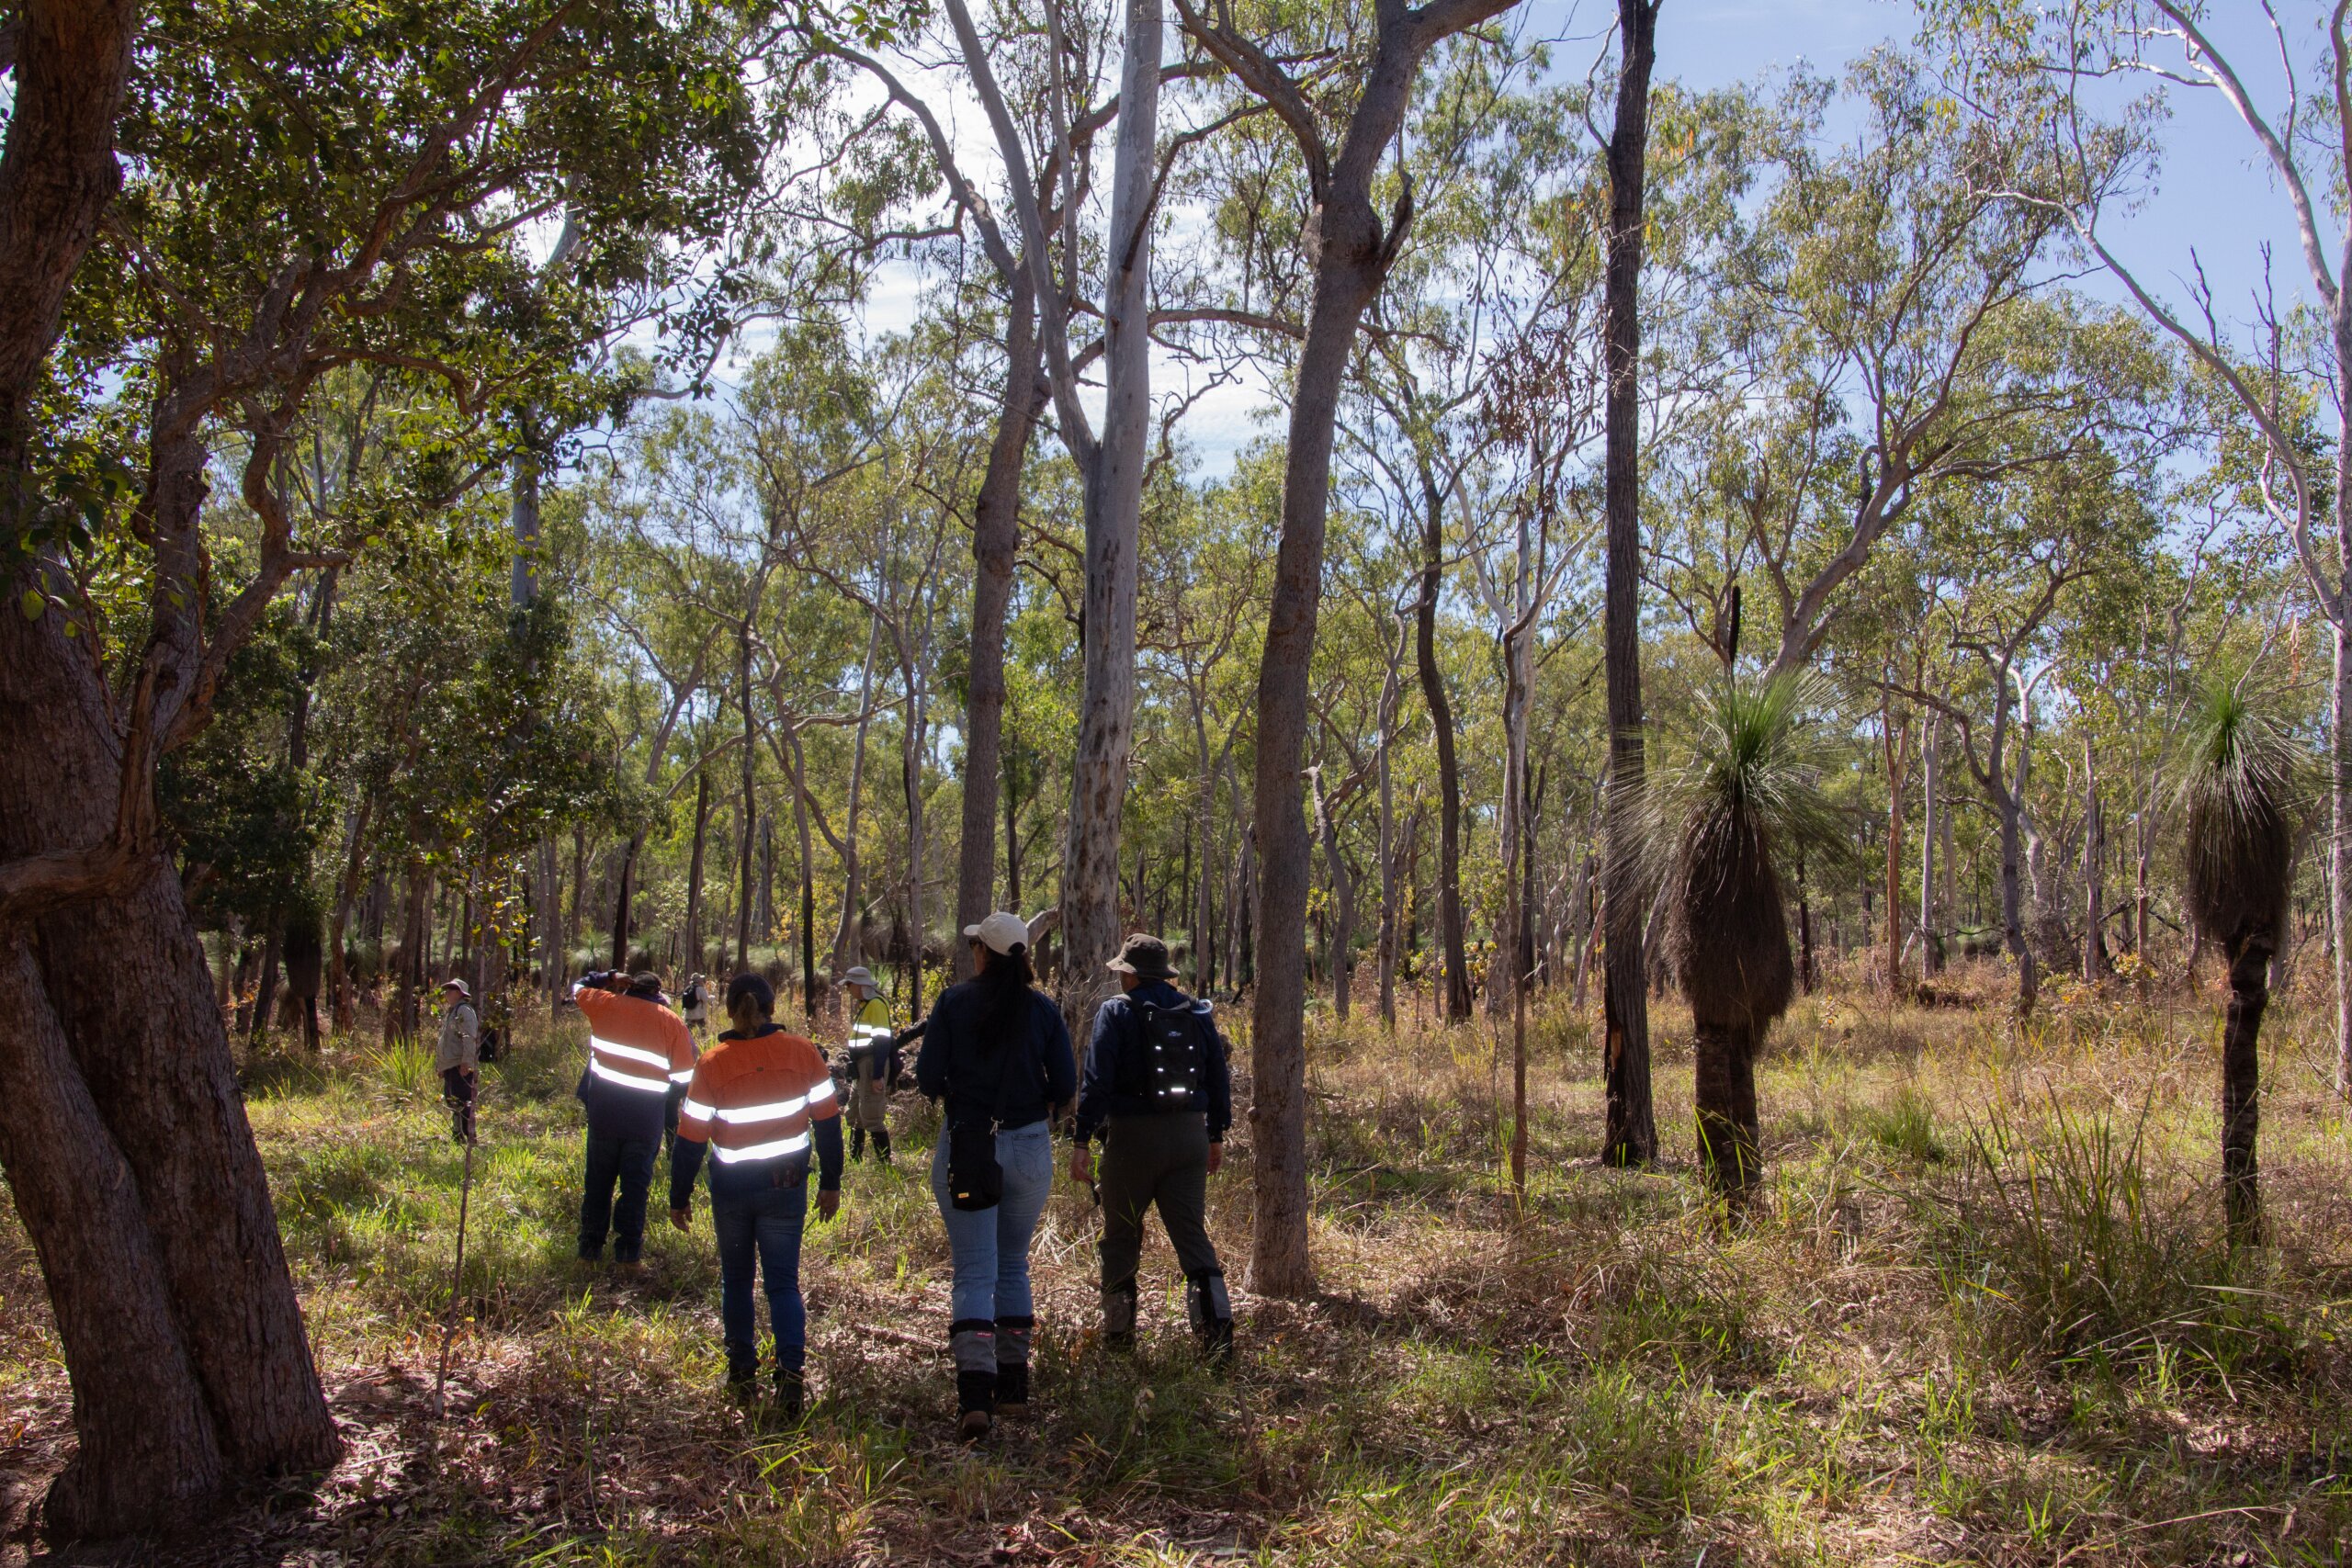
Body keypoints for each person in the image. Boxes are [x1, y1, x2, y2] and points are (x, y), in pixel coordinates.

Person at [916, 910, 1076, 1440]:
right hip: (1029, 1146)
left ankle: (975, 1397)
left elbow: (927, 1077)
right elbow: (1067, 1083)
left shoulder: (954, 1003)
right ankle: (1013, 1387)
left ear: (983, 952)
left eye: (975, 947)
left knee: (974, 1272)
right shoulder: (1044, 1011)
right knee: (1012, 1264)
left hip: (969, 1146)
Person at [668, 974, 843, 1415]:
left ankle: (742, 1376)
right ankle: (789, 1380)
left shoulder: (712, 1063)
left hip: (732, 1189)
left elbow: (689, 1140)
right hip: (785, 1188)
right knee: (783, 1283)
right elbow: (828, 1124)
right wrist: (831, 1183)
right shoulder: (802, 1052)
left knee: (738, 1282)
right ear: (771, 1006)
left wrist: (679, 1195)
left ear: (728, 1010)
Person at [1070, 933, 1236, 1362]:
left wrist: (1081, 1139)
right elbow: (1218, 1076)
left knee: (1121, 1237)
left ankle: (1119, 1340)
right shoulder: (1196, 1011)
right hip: (1189, 1137)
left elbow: (1097, 1081)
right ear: (1163, 974)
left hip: (1132, 1141)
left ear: (1129, 974)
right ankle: (1217, 1341)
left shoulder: (1116, 1012)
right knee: (1192, 1238)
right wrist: (1216, 1134)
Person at [571, 969, 698, 1268]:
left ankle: (588, 1254)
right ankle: (628, 1258)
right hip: (644, 1122)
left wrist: (608, 976)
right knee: (635, 1189)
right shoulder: (671, 1022)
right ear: (659, 993)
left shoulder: (605, 1002)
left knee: (597, 1185)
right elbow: (684, 1078)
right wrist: (660, 1098)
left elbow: (578, 986)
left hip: (604, 1116)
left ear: (628, 986)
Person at [840, 965, 899, 1164]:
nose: (848, 989)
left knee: (872, 1115)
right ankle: (855, 1160)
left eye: (849, 984)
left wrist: (876, 1076)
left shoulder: (876, 1005)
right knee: (855, 1113)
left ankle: (884, 1164)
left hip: (871, 1064)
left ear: (860, 985)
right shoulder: (866, 1005)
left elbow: (882, 1041)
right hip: (861, 1066)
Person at [435, 977, 481, 1145]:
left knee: (463, 1103)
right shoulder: (452, 1012)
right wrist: (441, 1066)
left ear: (460, 993)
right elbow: (444, 1041)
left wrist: (466, 1063)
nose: (447, 993)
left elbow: (470, 1038)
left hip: (459, 1066)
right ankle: (458, 1136)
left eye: (451, 990)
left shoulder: (464, 1011)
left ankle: (470, 1139)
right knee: (453, 1101)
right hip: (451, 1066)